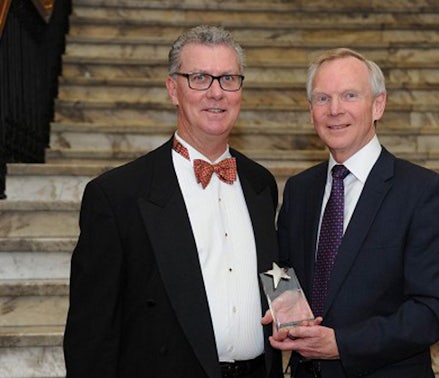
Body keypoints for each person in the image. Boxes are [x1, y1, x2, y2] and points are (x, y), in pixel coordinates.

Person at [64, 25, 283, 378]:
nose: (216, 93)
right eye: (199, 78)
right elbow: (91, 333)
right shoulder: (118, 195)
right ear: (173, 90)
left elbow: (273, 271)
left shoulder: (261, 184)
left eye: (228, 78)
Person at [264, 48, 439, 377]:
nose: (335, 110)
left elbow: (436, 310)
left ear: (378, 105)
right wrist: (287, 317)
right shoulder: (299, 189)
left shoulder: (425, 192)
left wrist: (342, 344)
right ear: (311, 110)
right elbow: (282, 273)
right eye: (322, 98)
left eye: (350, 95)